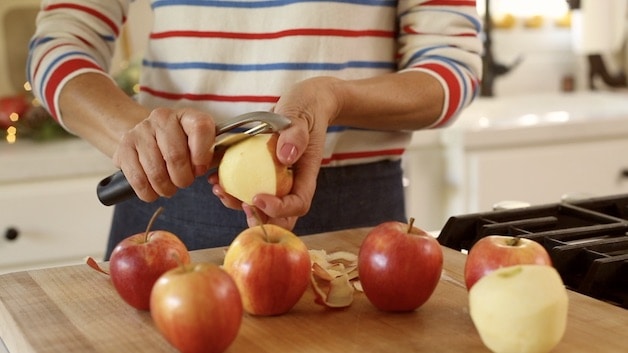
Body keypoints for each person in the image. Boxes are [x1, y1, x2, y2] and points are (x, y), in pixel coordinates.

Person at [28, 0, 482, 259]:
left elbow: (450, 69)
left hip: (354, 224)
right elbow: (58, 44)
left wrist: (333, 97)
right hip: (170, 214)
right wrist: (138, 135)